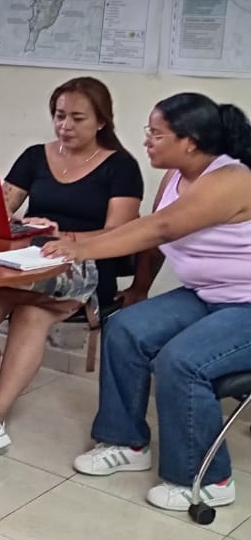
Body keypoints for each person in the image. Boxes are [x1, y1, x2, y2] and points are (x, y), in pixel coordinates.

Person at [40, 94, 251, 511]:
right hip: (206, 295)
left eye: (157, 134)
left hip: (245, 305)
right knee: (125, 328)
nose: (147, 141)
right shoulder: (176, 175)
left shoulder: (232, 178)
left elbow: (161, 228)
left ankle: (208, 479)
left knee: (182, 361)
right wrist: (139, 288)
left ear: (190, 141)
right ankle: (126, 442)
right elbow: (153, 235)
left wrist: (80, 249)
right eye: (148, 132)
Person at [0, 77, 143, 461]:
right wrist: (19, 222)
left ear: (102, 121)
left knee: (29, 313)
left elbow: (120, 234)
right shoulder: (35, 156)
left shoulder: (120, 167)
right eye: (59, 116)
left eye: (78, 118)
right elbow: (1, 209)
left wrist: (64, 235)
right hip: (31, 261)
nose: (65, 126)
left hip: (87, 264)